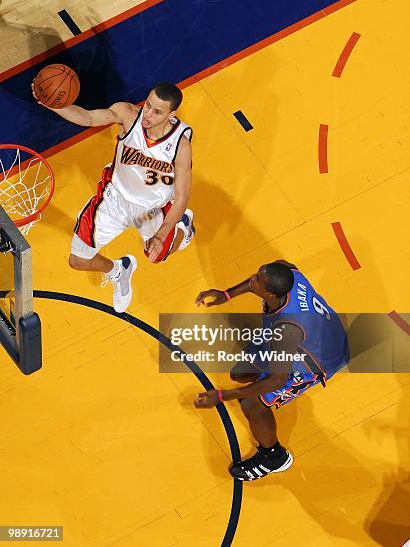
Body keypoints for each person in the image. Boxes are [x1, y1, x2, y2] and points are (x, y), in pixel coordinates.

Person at [33, 82, 194, 313]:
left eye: (157, 111)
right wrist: (52, 103)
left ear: (172, 115)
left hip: (152, 209)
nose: (148, 114)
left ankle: (184, 228)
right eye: (148, 105)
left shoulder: (180, 145)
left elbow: (182, 197)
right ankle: (119, 270)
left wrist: (161, 234)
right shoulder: (128, 115)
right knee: (77, 261)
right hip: (114, 200)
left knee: (156, 255)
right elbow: (87, 118)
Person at [194, 260, 349, 481]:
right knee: (240, 373)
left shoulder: (287, 329)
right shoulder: (288, 275)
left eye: (257, 280)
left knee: (251, 404)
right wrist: (227, 295)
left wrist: (224, 395)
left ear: (268, 294)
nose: (252, 279)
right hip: (313, 333)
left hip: (316, 361)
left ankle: (273, 457)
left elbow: (278, 379)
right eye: (257, 274)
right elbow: (283, 265)